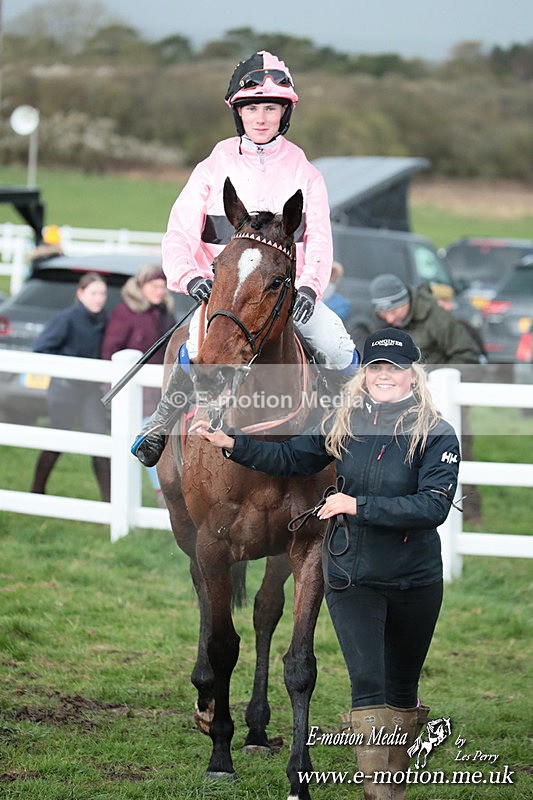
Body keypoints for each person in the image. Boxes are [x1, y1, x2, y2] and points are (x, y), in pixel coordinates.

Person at [190, 328, 461, 800]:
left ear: (412, 377)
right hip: (351, 574)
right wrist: (231, 442)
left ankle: (392, 776)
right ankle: (380, 791)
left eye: (395, 369)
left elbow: (432, 507)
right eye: (376, 367)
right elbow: (293, 456)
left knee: (402, 688)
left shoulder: (436, 434)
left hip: (414, 580)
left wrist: (356, 507)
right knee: (368, 686)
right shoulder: (345, 419)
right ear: (366, 374)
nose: (384, 376)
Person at [131, 50, 358, 468]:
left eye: (270, 108)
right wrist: (190, 277)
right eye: (252, 108)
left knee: (338, 346)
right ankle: (159, 425)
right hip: (224, 295)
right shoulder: (211, 167)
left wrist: (309, 286)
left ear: (283, 113)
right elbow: (178, 233)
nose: (260, 117)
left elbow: (321, 240)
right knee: (198, 347)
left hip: (286, 294)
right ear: (239, 113)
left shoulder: (307, 173)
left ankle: (354, 431)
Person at [368, 274, 483, 523]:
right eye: (383, 313)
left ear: (407, 299)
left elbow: (468, 355)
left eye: (395, 309)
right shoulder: (381, 322)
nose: (389, 319)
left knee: (460, 452)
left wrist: (434, 383)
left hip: (441, 398)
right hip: (400, 404)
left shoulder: (437, 317)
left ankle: (471, 514)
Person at [30, 273, 110, 501]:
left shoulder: (103, 319)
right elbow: (41, 348)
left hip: (90, 393)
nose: (99, 298)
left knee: (101, 443)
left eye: (102, 293)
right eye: (93, 293)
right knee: (57, 442)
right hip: (65, 390)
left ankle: (109, 502)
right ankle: (36, 492)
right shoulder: (66, 318)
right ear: (80, 293)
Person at [101, 264, 176, 505]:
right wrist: (109, 386)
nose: (160, 290)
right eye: (154, 285)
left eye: (163, 286)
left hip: (160, 391)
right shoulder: (126, 312)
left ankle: (166, 493)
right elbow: (110, 350)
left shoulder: (165, 313)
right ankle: (161, 494)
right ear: (141, 286)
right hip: (135, 393)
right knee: (149, 439)